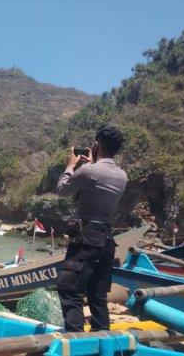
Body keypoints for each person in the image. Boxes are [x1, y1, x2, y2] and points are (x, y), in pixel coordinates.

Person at [55, 126, 127, 332]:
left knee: (68, 287)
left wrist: (70, 166)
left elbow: (62, 189)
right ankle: (102, 337)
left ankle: (75, 338)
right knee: (97, 294)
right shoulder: (122, 176)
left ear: (96, 145)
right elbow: (99, 181)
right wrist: (91, 164)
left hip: (86, 237)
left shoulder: (88, 171)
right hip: (106, 238)